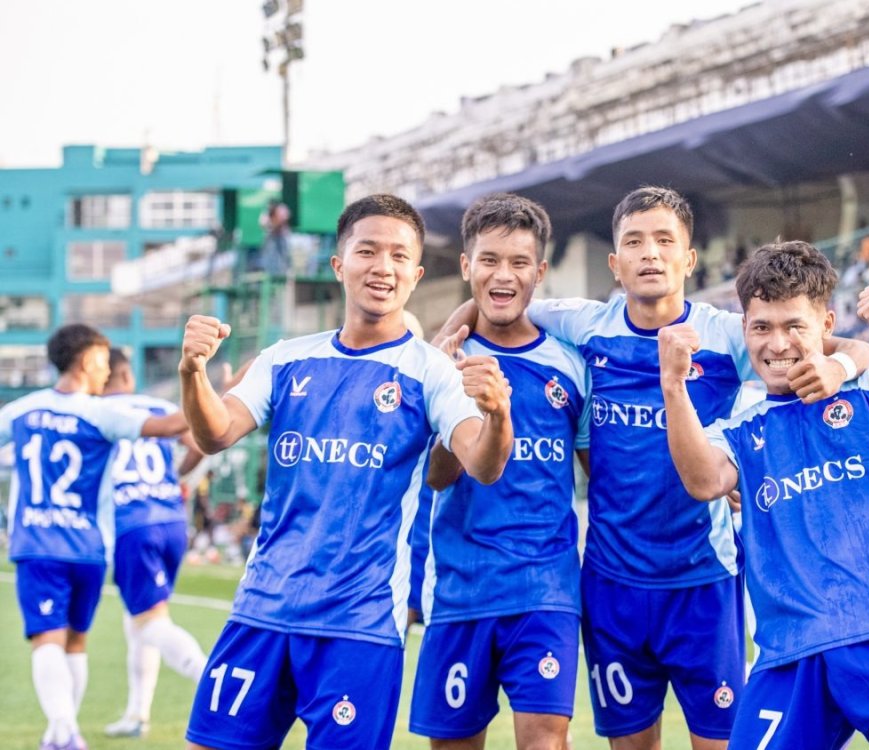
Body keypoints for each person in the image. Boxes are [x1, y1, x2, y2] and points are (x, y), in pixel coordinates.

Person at [437, 186, 869, 749]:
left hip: (703, 579)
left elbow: (850, 348)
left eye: (665, 240)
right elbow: (499, 298)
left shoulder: (726, 334)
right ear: (614, 263)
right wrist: (445, 339)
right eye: (634, 242)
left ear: (689, 259)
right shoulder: (586, 325)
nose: (650, 253)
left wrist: (841, 366)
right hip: (612, 583)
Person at [179, 194, 514, 750]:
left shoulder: (432, 372)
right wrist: (193, 372)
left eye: (399, 256)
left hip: (359, 624)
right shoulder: (284, 359)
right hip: (262, 610)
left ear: (416, 274)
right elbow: (215, 433)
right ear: (339, 265)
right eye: (367, 251)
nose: (383, 267)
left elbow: (481, 463)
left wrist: (498, 413)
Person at [658, 241, 869, 750]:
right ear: (745, 328)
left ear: (826, 324)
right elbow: (704, 481)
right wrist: (673, 385)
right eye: (761, 327)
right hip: (788, 650)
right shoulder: (741, 425)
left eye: (794, 326)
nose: (778, 344)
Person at [410, 193, 589, 750]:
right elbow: (437, 477)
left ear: (540, 271)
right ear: (467, 266)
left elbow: (602, 473)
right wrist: (467, 407)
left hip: (545, 588)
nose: (503, 275)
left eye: (519, 262)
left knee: (545, 744)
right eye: (489, 260)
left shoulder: (570, 363)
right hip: (460, 590)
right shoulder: (441, 366)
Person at [0, 324, 187, 750]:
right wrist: (212, 387)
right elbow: (171, 425)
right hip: (89, 548)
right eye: (103, 360)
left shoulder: (22, 410)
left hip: (37, 545)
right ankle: (60, 734)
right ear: (86, 361)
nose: (107, 371)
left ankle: (64, 730)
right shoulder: (100, 413)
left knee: (47, 639)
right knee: (75, 642)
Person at [100, 347, 209, 739]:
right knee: (140, 619)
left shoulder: (96, 411)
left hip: (132, 525)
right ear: (127, 376)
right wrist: (174, 480)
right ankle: (137, 714)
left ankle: (212, 680)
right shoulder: (159, 407)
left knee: (149, 623)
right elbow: (199, 444)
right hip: (170, 520)